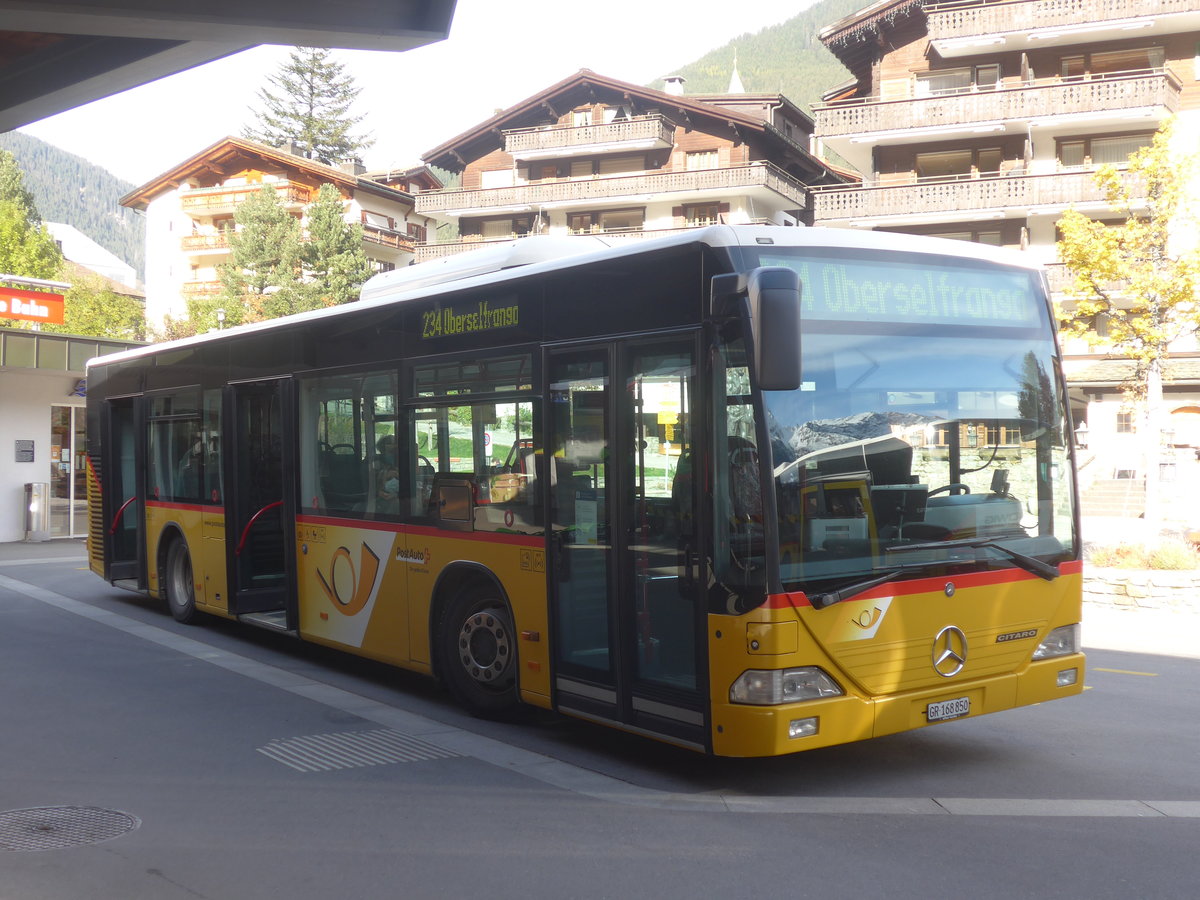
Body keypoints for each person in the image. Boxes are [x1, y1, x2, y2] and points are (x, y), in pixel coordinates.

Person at [375, 434, 400, 510]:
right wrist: (386, 474)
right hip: (382, 494)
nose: (393, 446)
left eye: (394, 443)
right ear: (382, 446)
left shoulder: (400, 459)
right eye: (389, 443)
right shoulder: (377, 461)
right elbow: (372, 481)